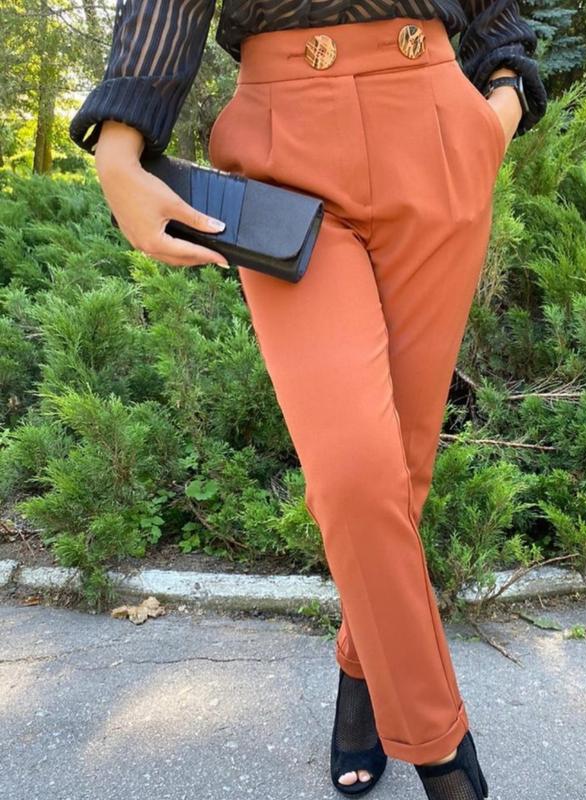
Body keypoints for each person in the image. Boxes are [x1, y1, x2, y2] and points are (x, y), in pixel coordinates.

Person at [68, 1, 547, 797]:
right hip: (286, 143)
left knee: (403, 475)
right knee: (356, 471)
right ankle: (442, 754)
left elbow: (499, 16)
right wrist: (119, 147)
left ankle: (363, 675)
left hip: (437, 127)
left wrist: (500, 103)